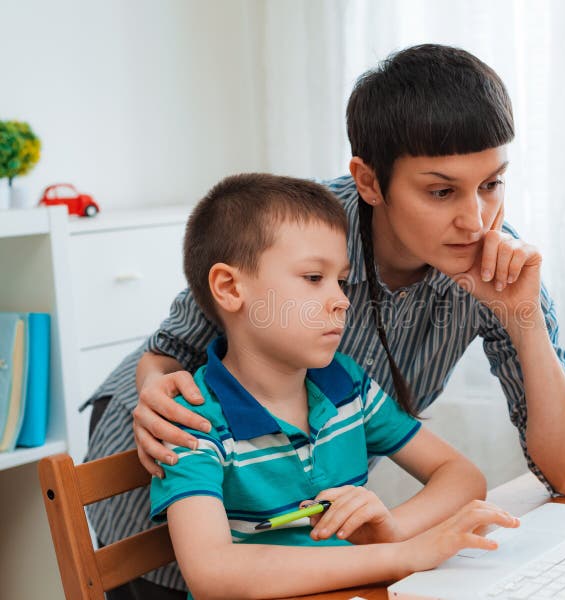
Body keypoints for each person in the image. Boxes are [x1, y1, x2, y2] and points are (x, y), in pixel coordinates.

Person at [86, 44, 565, 598]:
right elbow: (169, 348)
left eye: (492, 184)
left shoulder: (504, 267)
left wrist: (523, 321)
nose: (476, 221)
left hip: (288, 511)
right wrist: (154, 399)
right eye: (440, 190)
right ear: (370, 181)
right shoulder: (301, 232)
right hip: (167, 454)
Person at [148, 172, 519, 599]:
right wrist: (404, 554)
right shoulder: (192, 422)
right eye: (312, 278)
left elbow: (462, 477)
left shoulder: (345, 386)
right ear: (230, 288)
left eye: (341, 280)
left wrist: (393, 530)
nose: (341, 299)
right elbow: (213, 572)